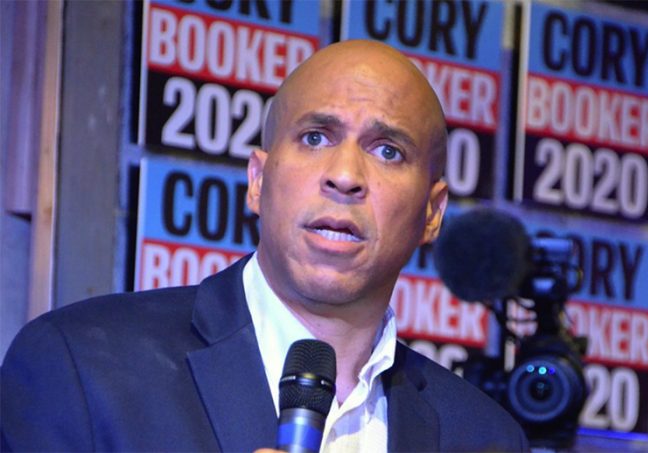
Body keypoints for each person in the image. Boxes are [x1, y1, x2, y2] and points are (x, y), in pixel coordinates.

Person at [1, 40, 528, 452]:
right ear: (258, 181)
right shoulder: (80, 367)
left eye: (387, 150)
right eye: (316, 137)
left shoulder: (485, 438)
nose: (345, 176)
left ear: (432, 213)